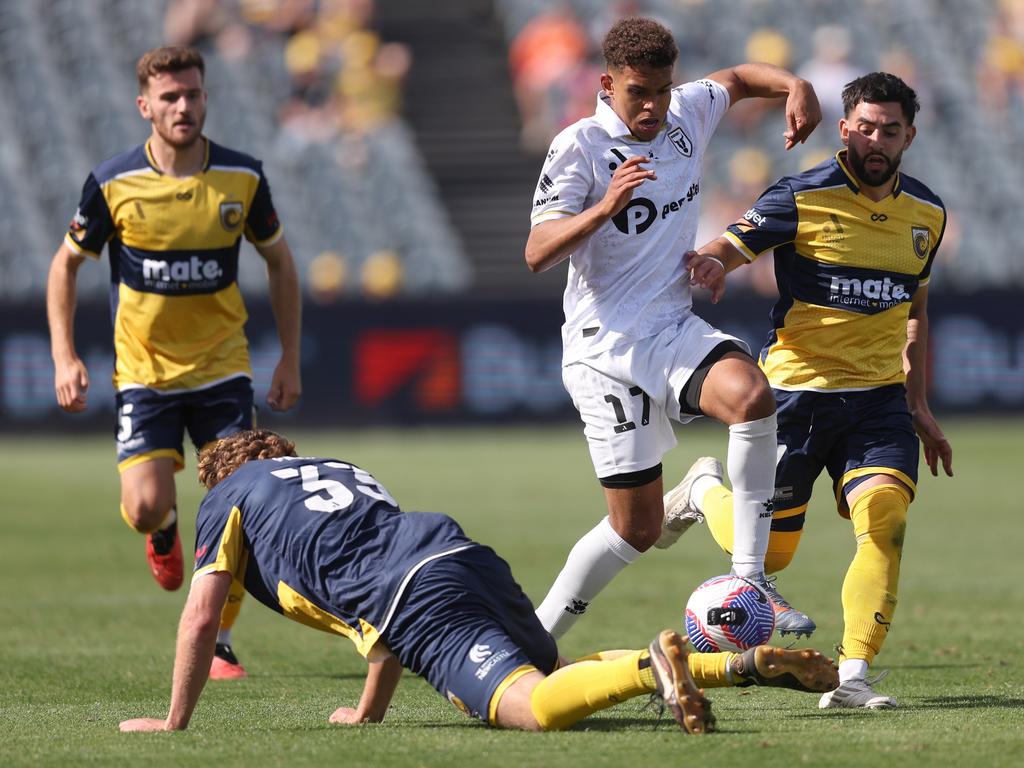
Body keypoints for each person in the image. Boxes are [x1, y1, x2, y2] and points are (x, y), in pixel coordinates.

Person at [118, 429, 838, 734]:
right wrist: (368, 713)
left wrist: (176, 721)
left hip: (415, 596)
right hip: (458, 553)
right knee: (556, 671)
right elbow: (378, 615)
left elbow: (201, 616)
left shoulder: (228, 497)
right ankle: (731, 665)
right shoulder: (338, 470)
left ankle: (656, 669)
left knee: (535, 709)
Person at [525, 16, 821, 640]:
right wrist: (605, 207)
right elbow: (536, 252)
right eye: (640, 92)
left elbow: (739, 78)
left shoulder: (686, 111)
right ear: (608, 84)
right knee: (635, 530)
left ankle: (750, 582)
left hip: (670, 327)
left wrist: (795, 84)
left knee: (753, 396)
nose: (655, 105)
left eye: (663, 89)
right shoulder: (578, 147)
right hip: (603, 349)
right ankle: (532, 639)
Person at [677, 72, 954, 709]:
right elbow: (732, 243)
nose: (877, 139)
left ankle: (852, 675)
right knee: (768, 559)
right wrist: (714, 260)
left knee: (884, 521)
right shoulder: (800, 196)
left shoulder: (927, 214)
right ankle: (702, 490)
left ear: (909, 134)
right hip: (798, 396)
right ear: (845, 128)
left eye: (891, 129)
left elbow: (916, 305)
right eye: (865, 127)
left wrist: (917, 401)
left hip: (879, 401)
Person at [46, 46, 302, 680]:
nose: (183, 106)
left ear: (206, 97)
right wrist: (64, 355)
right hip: (144, 373)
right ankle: (163, 534)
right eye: (169, 97)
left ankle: (217, 640)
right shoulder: (112, 183)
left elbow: (280, 262)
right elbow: (65, 264)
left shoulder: (241, 178)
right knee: (142, 506)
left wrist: (290, 357)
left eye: (192, 93)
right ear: (145, 107)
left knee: (240, 508)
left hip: (222, 370)